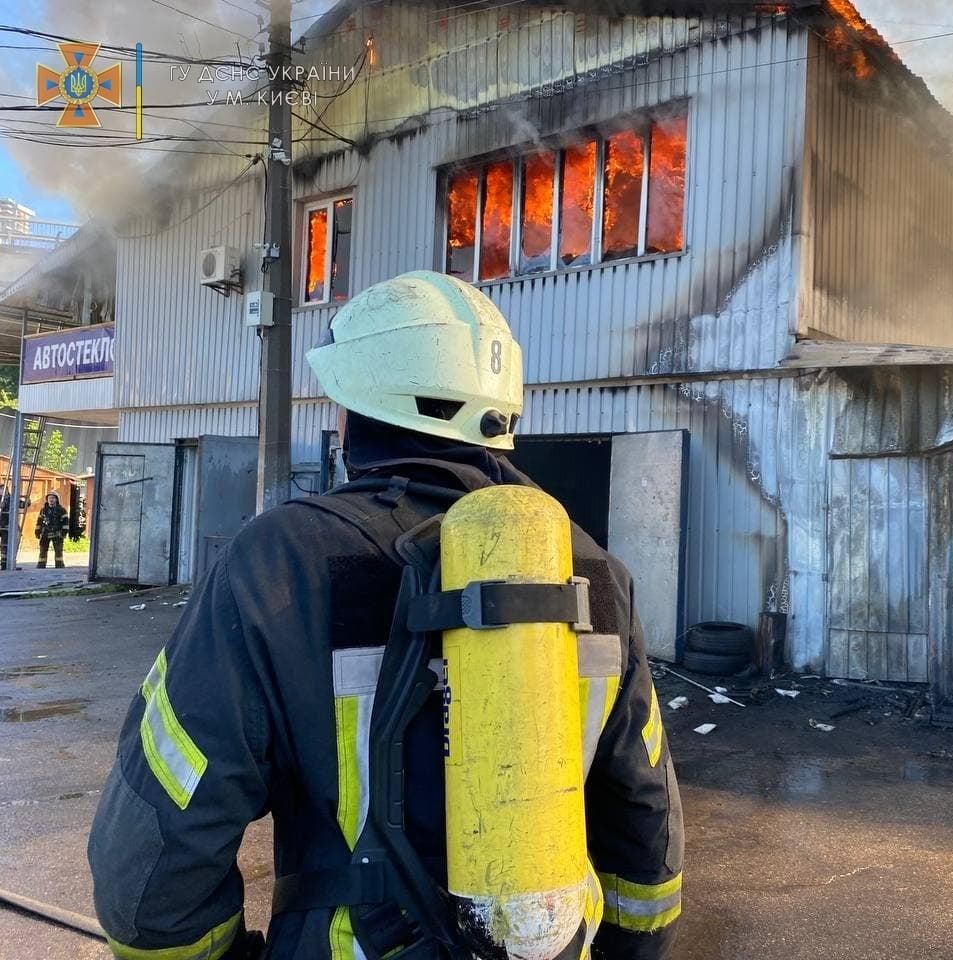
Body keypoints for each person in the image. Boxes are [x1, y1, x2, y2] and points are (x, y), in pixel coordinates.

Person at [87, 271, 683, 960]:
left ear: (355, 406)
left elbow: (153, 858)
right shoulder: (595, 572)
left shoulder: (280, 563)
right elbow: (644, 826)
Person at [35, 491, 69, 569]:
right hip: (45, 533)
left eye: (53, 498)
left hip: (57, 533)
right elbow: (39, 521)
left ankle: (59, 565)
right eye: (49, 498)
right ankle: (41, 565)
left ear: (57, 499)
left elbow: (65, 522)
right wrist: (37, 531)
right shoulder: (43, 510)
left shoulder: (61, 510)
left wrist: (64, 532)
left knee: (58, 550)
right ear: (47, 500)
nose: (51, 500)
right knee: (43, 549)